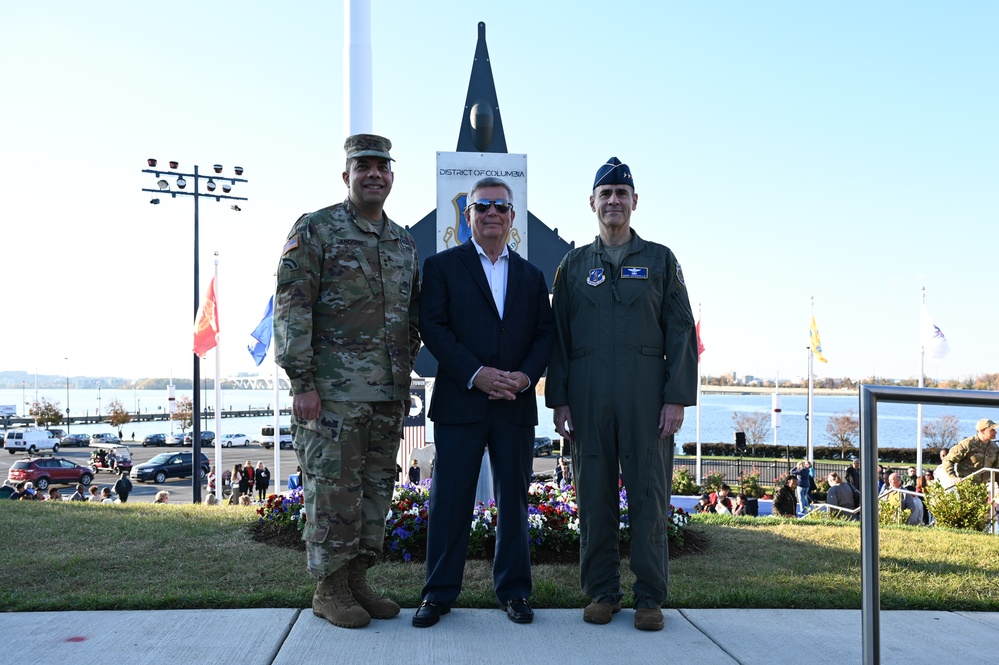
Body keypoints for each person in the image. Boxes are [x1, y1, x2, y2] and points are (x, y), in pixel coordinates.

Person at [273, 133, 421, 630]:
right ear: (347, 175)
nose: (373, 174)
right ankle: (327, 589)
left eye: (381, 166)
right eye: (364, 166)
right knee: (332, 493)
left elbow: (412, 316)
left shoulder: (403, 241)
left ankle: (357, 579)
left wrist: (404, 377)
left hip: (387, 395)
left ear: (392, 176)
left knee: (376, 491)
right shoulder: (316, 229)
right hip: (332, 394)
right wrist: (302, 382)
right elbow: (293, 308)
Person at [546, 157, 698, 632]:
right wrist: (560, 399)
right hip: (589, 397)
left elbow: (681, 333)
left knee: (649, 496)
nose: (614, 201)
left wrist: (676, 398)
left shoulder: (660, 261)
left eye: (622, 193)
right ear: (592, 202)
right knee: (593, 495)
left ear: (635, 202)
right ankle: (602, 592)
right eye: (605, 193)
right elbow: (559, 339)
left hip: (646, 397)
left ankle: (649, 597)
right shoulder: (572, 266)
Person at [414, 176, 555, 629]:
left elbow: (544, 335)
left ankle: (514, 592)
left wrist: (525, 376)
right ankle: (437, 594)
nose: (492, 213)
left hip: (514, 403)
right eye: (482, 206)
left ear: (512, 217)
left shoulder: (533, 278)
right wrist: (477, 375)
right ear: (467, 215)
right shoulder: (441, 268)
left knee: (513, 501)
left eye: (500, 206)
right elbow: (434, 328)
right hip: (460, 403)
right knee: (449, 501)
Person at [941, 418, 999, 489]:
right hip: (966, 488)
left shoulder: (994, 447)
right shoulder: (967, 444)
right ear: (982, 431)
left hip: (983, 489)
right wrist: (953, 478)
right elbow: (948, 460)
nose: (996, 432)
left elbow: (996, 468)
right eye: (992, 430)